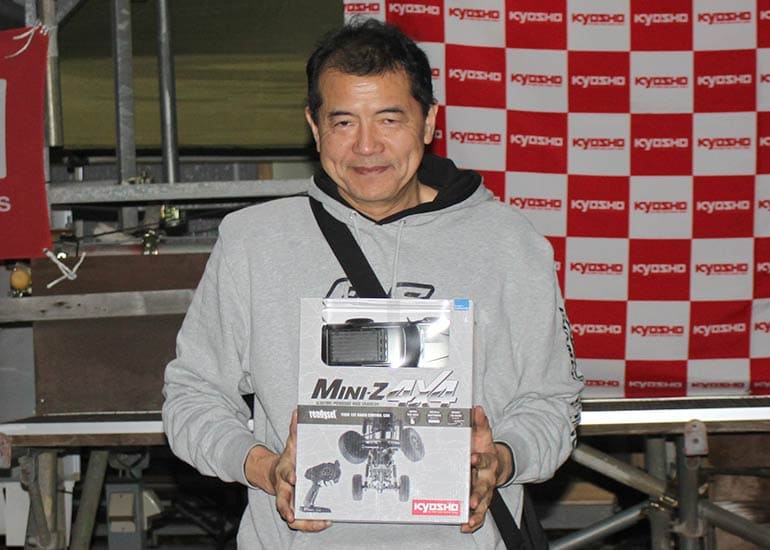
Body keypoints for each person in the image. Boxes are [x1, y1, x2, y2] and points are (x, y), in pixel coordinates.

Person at [163, 18, 583, 549]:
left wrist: (502, 458)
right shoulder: (253, 243)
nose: (366, 146)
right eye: (343, 122)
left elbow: (553, 403)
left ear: (429, 122)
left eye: (389, 119)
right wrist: (264, 467)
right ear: (314, 126)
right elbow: (193, 396)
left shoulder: (509, 244)